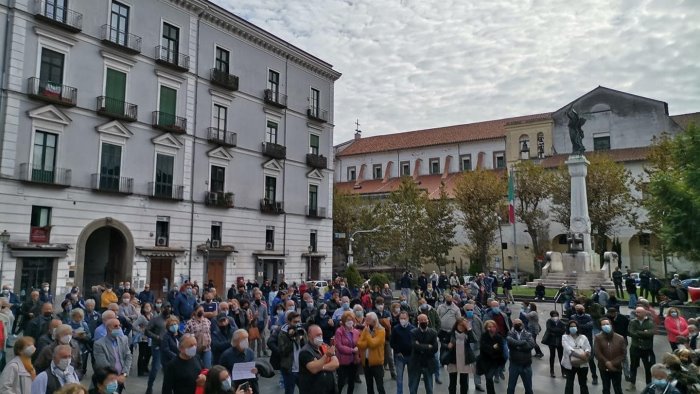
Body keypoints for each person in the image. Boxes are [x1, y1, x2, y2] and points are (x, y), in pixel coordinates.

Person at [92, 319, 131, 393]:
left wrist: (124, 374)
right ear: (108, 328)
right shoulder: (99, 344)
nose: (119, 328)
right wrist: (115, 377)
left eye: (120, 326)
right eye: (116, 326)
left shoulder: (124, 339)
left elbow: (128, 357)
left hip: (121, 378)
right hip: (108, 381)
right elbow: (102, 363)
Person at [298, 324, 339, 394]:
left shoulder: (324, 346)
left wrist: (320, 366)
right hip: (313, 390)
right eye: (317, 335)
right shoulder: (305, 352)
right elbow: (314, 369)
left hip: (329, 389)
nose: (320, 337)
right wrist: (326, 356)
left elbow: (336, 363)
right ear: (309, 336)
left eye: (321, 335)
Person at [219, 329, 258, 393]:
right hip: (235, 388)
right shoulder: (226, 356)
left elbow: (254, 370)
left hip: (250, 387)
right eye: (243, 339)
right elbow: (222, 377)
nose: (246, 341)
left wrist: (255, 371)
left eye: (247, 338)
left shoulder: (250, 352)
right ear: (236, 341)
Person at [408, 313, 439, 394]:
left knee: (429, 388)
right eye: (421, 320)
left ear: (428, 321)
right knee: (413, 388)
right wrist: (428, 346)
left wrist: (420, 346)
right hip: (416, 363)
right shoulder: (413, 332)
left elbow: (435, 348)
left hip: (428, 363)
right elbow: (414, 346)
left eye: (425, 320)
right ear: (418, 322)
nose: (423, 322)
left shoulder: (433, 332)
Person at [594, 318, 626, 394]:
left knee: (617, 388)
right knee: (606, 388)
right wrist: (607, 362)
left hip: (616, 368)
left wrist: (613, 363)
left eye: (607, 324)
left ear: (611, 325)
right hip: (603, 368)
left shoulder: (620, 338)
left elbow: (623, 353)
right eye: (603, 325)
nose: (606, 326)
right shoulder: (598, 337)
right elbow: (597, 352)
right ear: (601, 327)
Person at [144, 303, 171, 394]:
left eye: (169, 307)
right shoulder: (155, 319)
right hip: (157, 347)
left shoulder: (172, 319)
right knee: (155, 368)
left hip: (169, 347)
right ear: (162, 308)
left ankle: (166, 389)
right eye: (165, 307)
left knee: (168, 369)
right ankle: (149, 387)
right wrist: (157, 337)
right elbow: (147, 331)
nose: (167, 309)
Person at [446, 317, 476, 394]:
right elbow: (444, 343)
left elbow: (473, 340)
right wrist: (447, 345)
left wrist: (469, 328)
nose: (461, 327)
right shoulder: (451, 334)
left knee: (464, 382)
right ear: (456, 325)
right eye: (460, 325)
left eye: (463, 326)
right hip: (453, 360)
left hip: (464, 360)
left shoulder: (467, 334)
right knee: (452, 382)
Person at [359, 312, 386, 394]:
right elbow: (359, 343)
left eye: (367, 319)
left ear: (374, 320)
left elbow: (373, 344)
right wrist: (368, 342)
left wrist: (367, 336)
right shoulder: (366, 328)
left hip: (377, 363)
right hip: (366, 362)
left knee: (380, 386)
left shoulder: (381, 330)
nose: (365, 321)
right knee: (369, 386)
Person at [505, 318, 534, 394]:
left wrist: (517, 346)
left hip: (526, 365)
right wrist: (523, 342)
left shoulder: (528, 334)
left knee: (529, 388)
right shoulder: (510, 334)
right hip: (514, 365)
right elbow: (509, 343)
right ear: (513, 325)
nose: (518, 325)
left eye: (519, 323)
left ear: (522, 324)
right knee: (511, 387)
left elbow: (530, 346)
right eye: (516, 324)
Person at [278, 311, 305, 394]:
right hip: (289, 369)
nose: (297, 324)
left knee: (305, 390)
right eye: (295, 322)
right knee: (289, 391)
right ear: (289, 322)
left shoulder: (301, 330)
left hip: (302, 368)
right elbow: (283, 351)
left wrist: (302, 339)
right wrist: (292, 338)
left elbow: (306, 347)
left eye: (298, 321)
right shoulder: (283, 333)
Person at [570, 303, 598, 385]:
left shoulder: (588, 317)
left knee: (590, 359)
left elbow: (589, 326)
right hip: (577, 341)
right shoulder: (573, 317)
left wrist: (579, 327)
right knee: (580, 359)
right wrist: (582, 327)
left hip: (588, 341)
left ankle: (594, 376)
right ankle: (584, 377)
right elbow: (574, 328)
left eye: (581, 309)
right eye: (578, 309)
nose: (581, 310)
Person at [629, 307, 655, 391]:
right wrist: (644, 332)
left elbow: (650, 333)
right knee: (633, 366)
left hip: (646, 348)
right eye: (636, 312)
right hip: (635, 348)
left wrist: (638, 332)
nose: (637, 314)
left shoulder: (650, 322)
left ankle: (649, 385)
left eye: (639, 312)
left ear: (644, 313)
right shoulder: (633, 322)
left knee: (648, 367)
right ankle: (632, 384)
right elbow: (631, 333)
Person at [477, 320, 506, 394]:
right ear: (486, 328)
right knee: (488, 379)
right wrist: (493, 348)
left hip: (495, 361)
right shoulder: (484, 336)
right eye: (489, 327)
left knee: (489, 377)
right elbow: (484, 348)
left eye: (493, 326)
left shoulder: (498, 337)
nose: (492, 328)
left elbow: (500, 349)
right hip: (485, 361)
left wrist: (491, 349)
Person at [562, 320, 591, 394]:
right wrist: (580, 356)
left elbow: (588, 347)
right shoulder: (565, 337)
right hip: (570, 364)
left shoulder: (583, 337)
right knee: (569, 384)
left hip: (582, 364)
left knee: (583, 384)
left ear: (577, 327)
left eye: (574, 326)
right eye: (571, 326)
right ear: (568, 328)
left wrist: (587, 352)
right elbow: (568, 349)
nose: (573, 328)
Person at [335, 311, 360, 394]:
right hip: (343, 362)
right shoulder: (339, 331)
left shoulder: (356, 332)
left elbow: (359, 343)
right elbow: (339, 346)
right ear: (343, 321)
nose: (350, 322)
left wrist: (358, 348)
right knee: (341, 382)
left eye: (351, 319)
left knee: (351, 382)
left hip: (354, 361)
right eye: (347, 320)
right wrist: (352, 350)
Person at [391, 311, 414, 394]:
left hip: (411, 357)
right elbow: (392, 343)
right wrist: (397, 351)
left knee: (412, 377)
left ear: (408, 318)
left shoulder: (412, 328)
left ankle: (412, 392)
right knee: (399, 378)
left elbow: (415, 343)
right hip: (400, 357)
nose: (403, 320)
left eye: (404, 318)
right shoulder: (396, 329)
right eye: (401, 318)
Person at [542, 310, 565, 378]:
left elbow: (563, 330)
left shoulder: (561, 322)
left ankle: (563, 371)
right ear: (551, 316)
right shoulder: (549, 321)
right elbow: (549, 329)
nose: (555, 317)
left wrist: (555, 331)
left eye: (556, 316)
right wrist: (557, 330)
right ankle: (552, 371)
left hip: (559, 341)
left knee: (561, 356)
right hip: (551, 341)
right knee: (552, 356)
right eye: (553, 316)